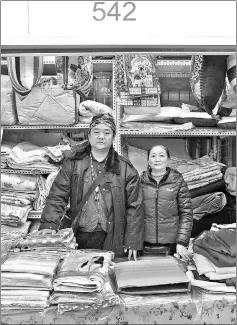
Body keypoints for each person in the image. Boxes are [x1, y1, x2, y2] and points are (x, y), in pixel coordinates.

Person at [38, 113, 144, 260]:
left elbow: (135, 207)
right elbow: (57, 197)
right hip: (79, 235)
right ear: (89, 136)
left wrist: (133, 240)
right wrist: (49, 226)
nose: (101, 136)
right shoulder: (73, 164)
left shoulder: (125, 168)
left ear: (113, 137)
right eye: (96, 132)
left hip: (113, 236)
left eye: (107, 132)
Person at [140, 145, 193, 260]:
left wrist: (182, 242)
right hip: (144, 245)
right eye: (153, 156)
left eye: (162, 155)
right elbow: (133, 213)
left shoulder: (178, 181)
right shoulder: (140, 182)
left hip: (172, 245)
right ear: (148, 160)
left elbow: (186, 214)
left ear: (168, 160)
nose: (157, 159)